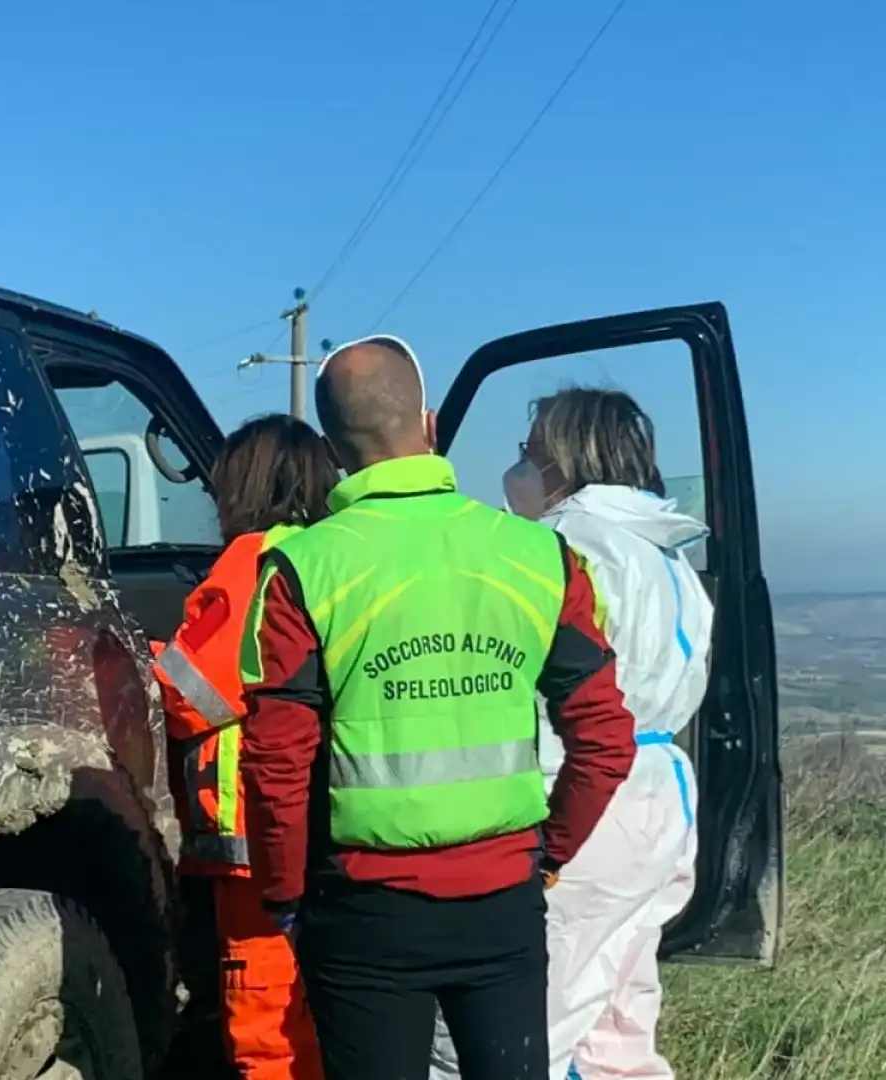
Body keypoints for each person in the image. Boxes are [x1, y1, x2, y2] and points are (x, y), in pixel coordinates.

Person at [238, 335, 639, 1080]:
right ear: (428, 425)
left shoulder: (301, 568)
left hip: (363, 909)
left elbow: (275, 764)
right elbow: (608, 737)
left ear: (331, 448)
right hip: (504, 901)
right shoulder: (541, 557)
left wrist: (283, 897)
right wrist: (547, 854)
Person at [430, 387, 713, 1080]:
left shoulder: (565, 548)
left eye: (530, 451)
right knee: (619, 1022)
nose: (519, 466)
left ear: (564, 460)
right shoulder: (667, 554)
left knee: (516, 1029)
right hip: (660, 799)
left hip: (582, 794)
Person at [149, 413, 336, 1080]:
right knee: (317, 1012)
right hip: (325, 824)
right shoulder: (328, 554)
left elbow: (195, 694)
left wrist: (135, 663)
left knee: (265, 1027)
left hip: (252, 838)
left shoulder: (250, 561)